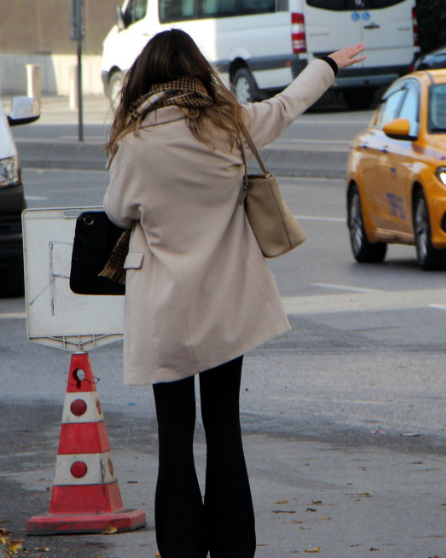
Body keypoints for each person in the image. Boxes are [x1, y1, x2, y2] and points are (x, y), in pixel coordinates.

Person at [102, 29, 365, 558]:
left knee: (173, 441)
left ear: (144, 79)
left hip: (164, 316)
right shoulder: (229, 126)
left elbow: (116, 212)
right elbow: (287, 105)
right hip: (227, 307)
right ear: (197, 70)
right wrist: (328, 65)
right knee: (225, 431)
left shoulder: (134, 143)